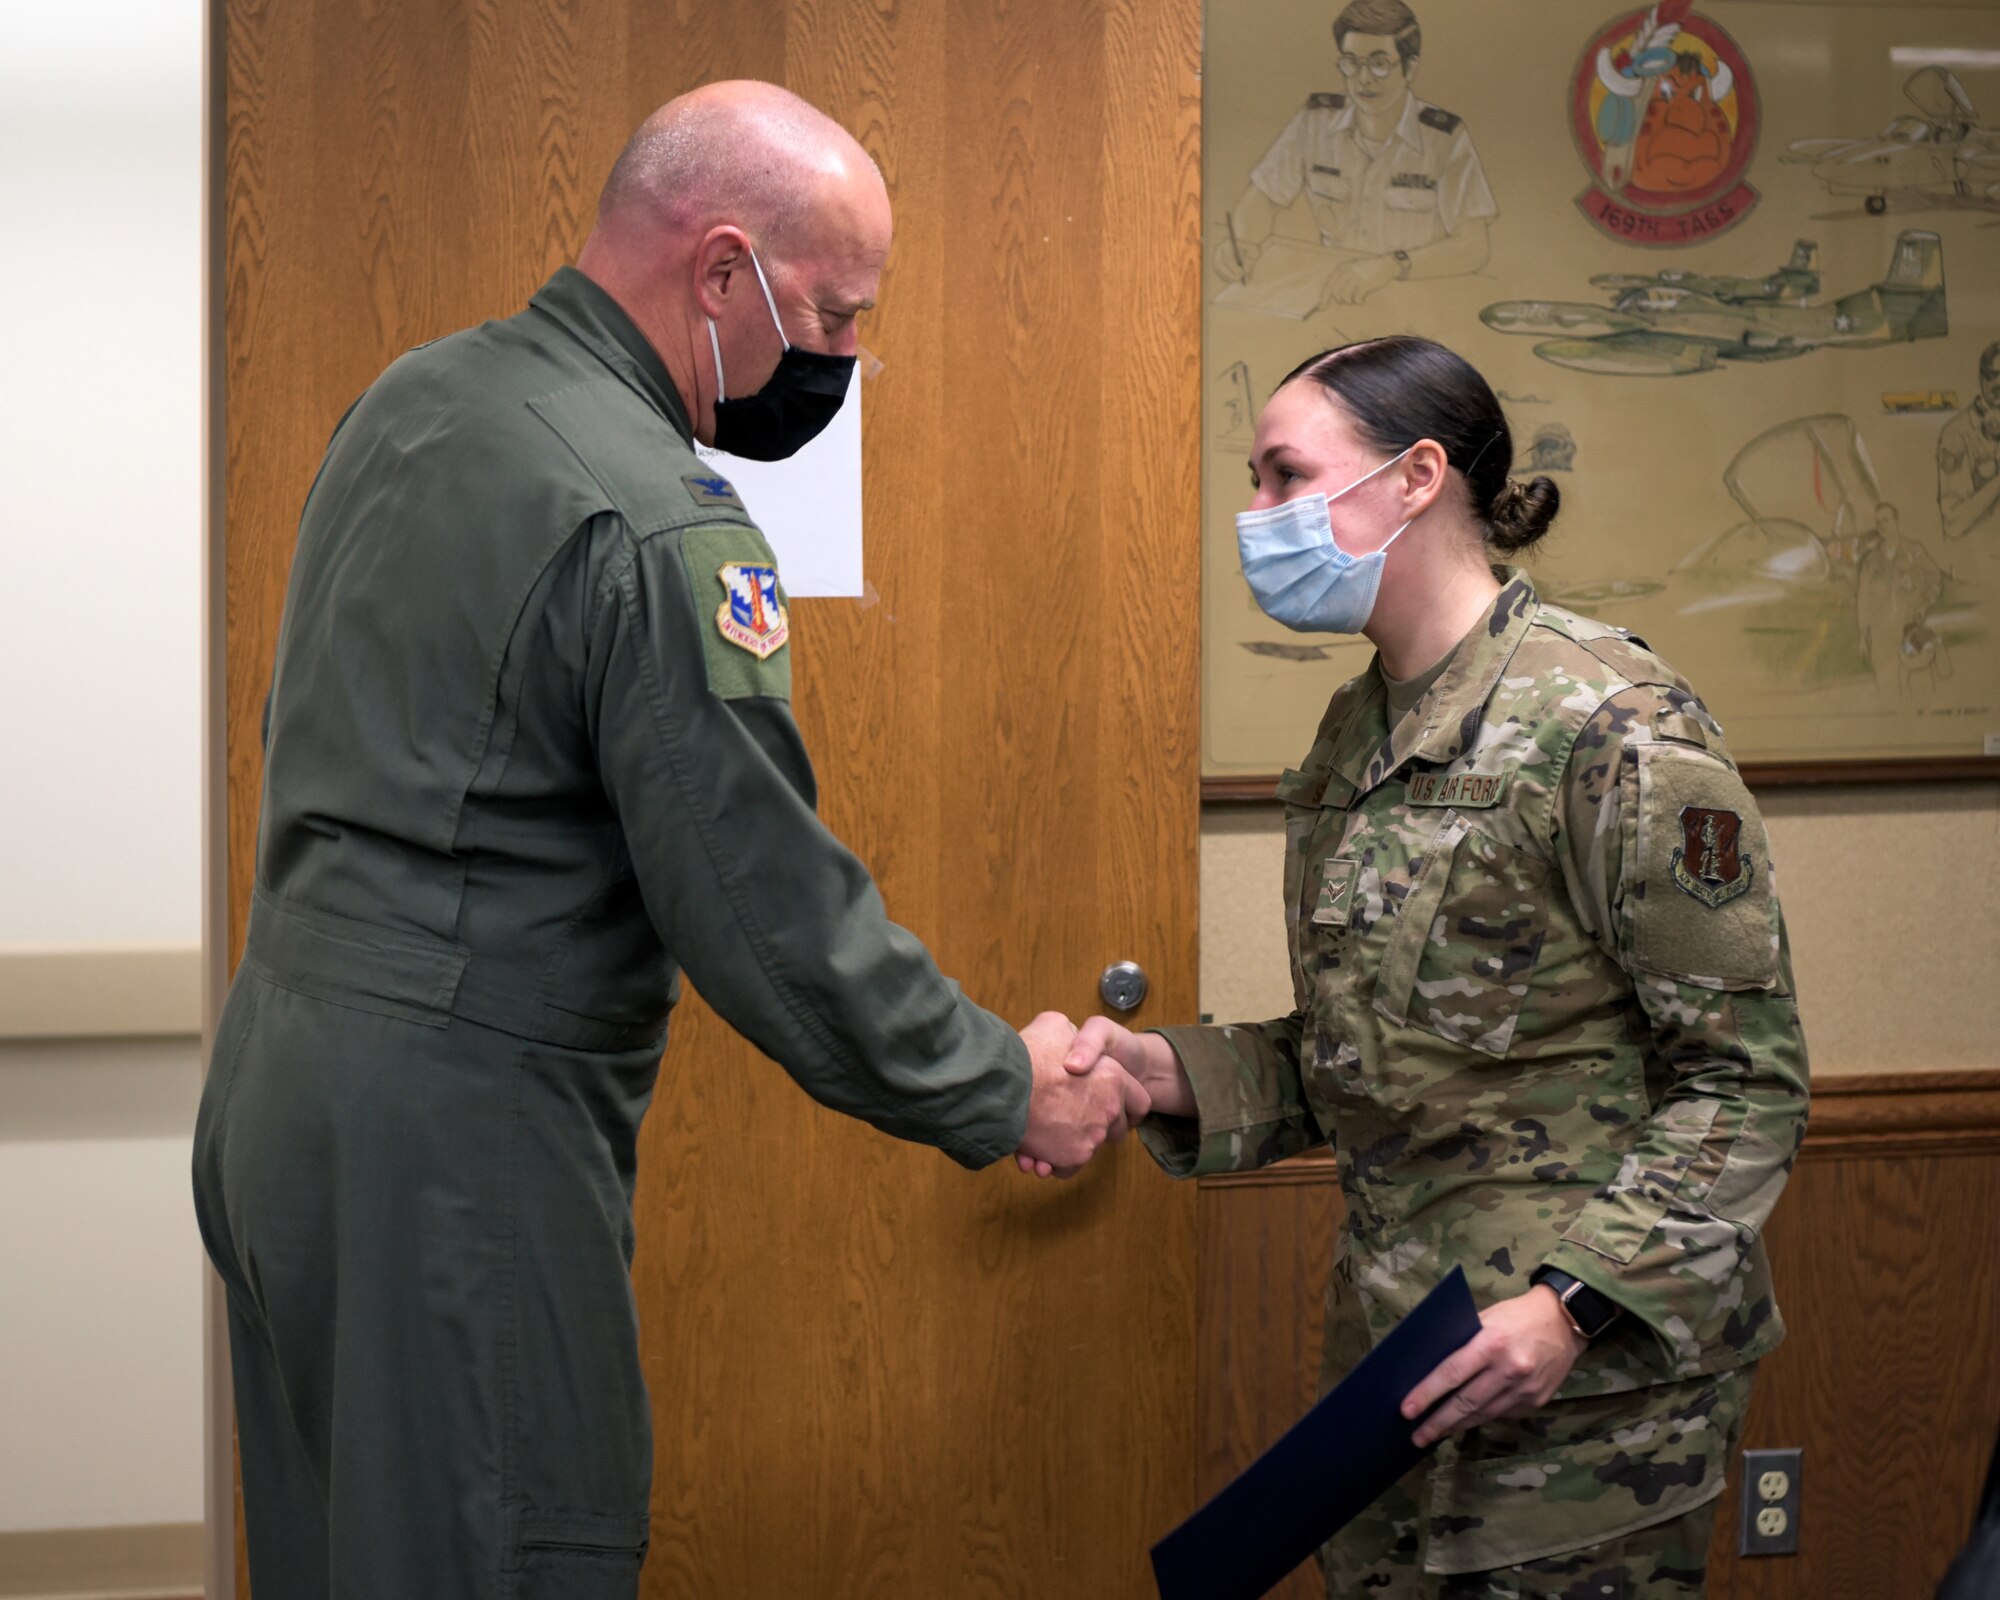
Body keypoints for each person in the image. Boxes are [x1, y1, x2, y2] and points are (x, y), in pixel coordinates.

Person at [192, 81, 1147, 1598]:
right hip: (455, 1147)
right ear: (719, 273)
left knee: (346, 1553)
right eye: (830, 316)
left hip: (279, 1093)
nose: (841, 360)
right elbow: (765, 909)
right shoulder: (657, 521)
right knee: (503, 1557)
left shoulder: (414, 399)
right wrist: (999, 1083)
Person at [1053, 337, 1809, 1596]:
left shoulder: (1607, 722)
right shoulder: (1358, 726)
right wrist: (1154, 1071)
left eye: (1284, 474)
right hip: (1403, 1357)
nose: (1252, 516)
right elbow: (1367, 1050)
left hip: (1590, 1394)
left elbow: (1745, 1083)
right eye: (1251, 479)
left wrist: (1570, 1304)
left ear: (1413, 477)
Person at [1214, 0, 1495, 306]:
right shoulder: (1315, 121)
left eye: (1379, 63)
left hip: (1414, 303)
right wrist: (1241, 243)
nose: (1362, 79)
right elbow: (1262, 196)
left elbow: (1473, 247)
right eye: (1351, 62)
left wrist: (1391, 266)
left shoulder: (1444, 138)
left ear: (1410, 67)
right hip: (1333, 297)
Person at [1938, 340, 2000, 543]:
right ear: (1980, 379)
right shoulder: (1957, 433)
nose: (1999, 382)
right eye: (1992, 375)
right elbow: (1953, 522)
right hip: (1980, 562)